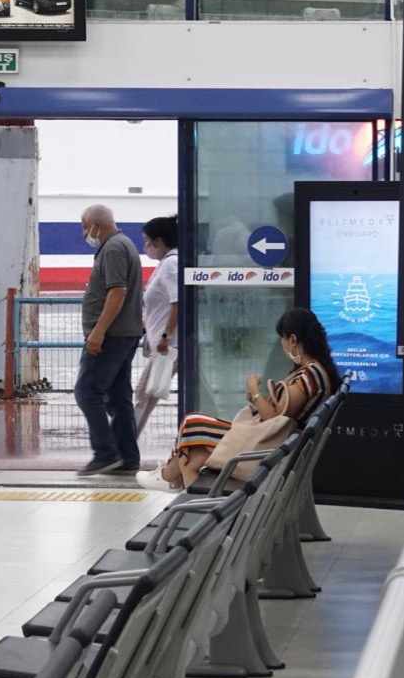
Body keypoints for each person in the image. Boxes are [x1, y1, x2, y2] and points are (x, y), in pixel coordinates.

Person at [137, 307, 337, 493]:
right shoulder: (316, 372)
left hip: (267, 447)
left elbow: (274, 420)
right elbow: (280, 416)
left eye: (282, 339)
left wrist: (254, 390)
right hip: (275, 445)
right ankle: (176, 483)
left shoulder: (308, 377)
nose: (282, 346)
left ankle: (169, 478)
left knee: (193, 424)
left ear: (293, 339)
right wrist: (257, 399)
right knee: (194, 453)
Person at [74, 204, 145, 476]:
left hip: (112, 335)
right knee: (117, 397)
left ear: (96, 225)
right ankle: (127, 457)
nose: (83, 233)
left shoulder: (113, 248)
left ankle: (105, 453)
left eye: (84, 227)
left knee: (87, 391)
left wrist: (98, 331)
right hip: (125, 332)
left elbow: (117, 292)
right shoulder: (123, 244)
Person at [134, 214, 180, 436]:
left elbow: (177, 302)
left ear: (158, 241)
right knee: (146, 394)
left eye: (146, 240)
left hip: (167, 346)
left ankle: (125, 444)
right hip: (165, 344)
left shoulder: (171, 264)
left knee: (144, 394)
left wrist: (164, 337)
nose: (145, 246)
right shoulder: (168, 263)